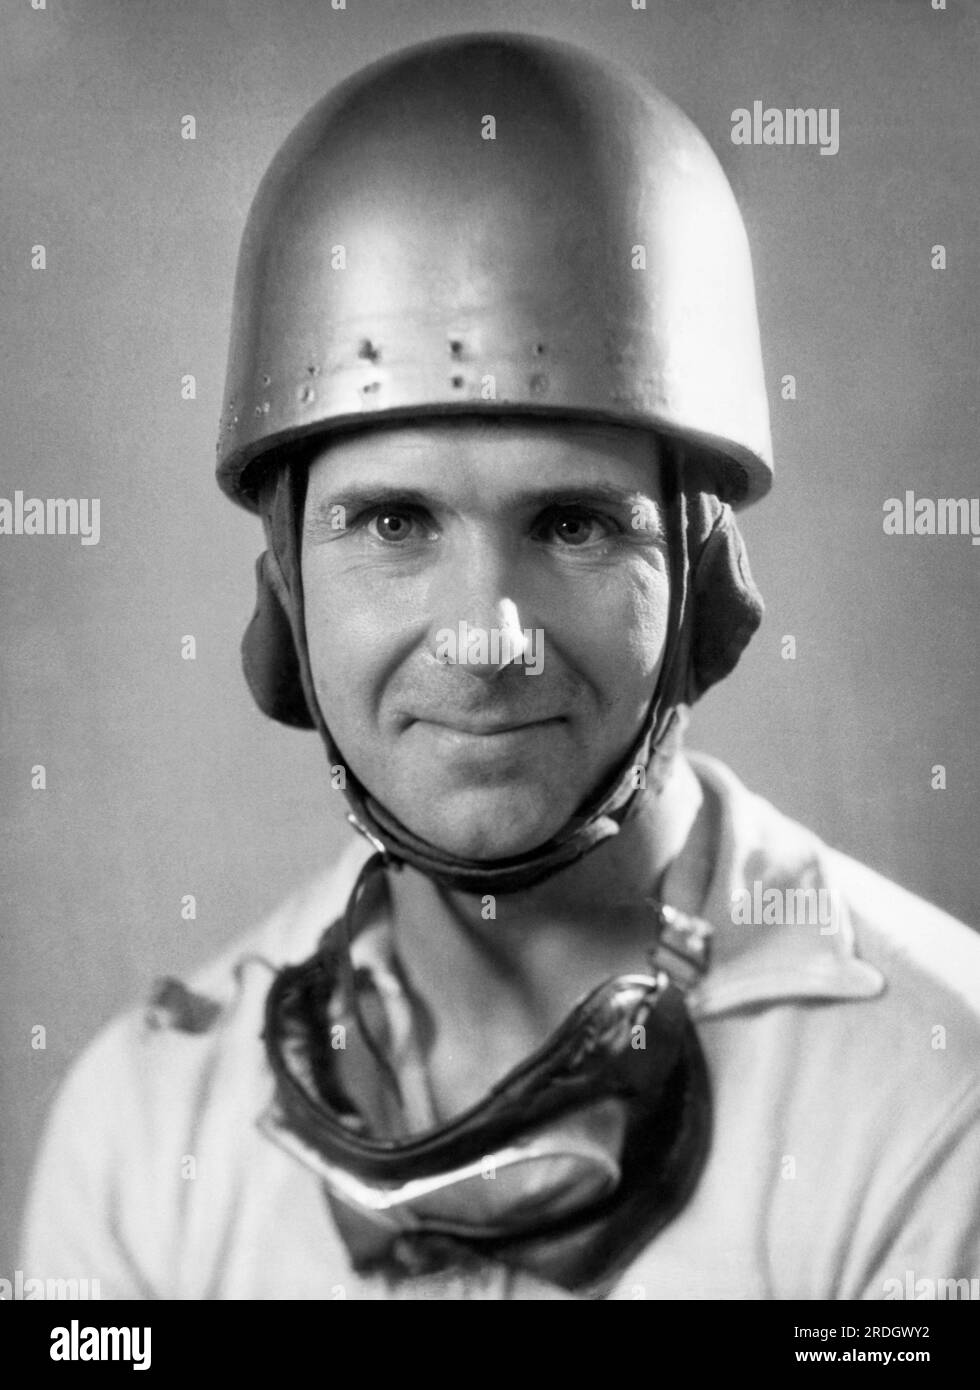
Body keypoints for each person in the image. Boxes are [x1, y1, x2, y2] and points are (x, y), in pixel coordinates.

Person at [22, 32, 980, 1301]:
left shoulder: (936, 1099)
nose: (486, 638)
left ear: (702, 580)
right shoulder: (143, 1132)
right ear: (284, 591)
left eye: (572, 525)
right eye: (394, 523)